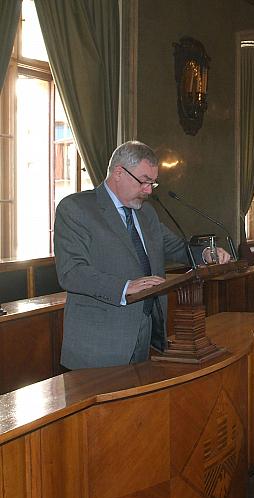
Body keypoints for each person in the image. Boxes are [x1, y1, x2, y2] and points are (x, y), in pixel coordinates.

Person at [54, 141, 231, 369]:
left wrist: (206, 253)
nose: (148, 190)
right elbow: (72, 272)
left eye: (152, 183)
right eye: (144, 181)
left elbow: (176, 247)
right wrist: (125, 287)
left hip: (146, 334)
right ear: (119, 172)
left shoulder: (146, 212)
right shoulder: (76, 209)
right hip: (99, 342)